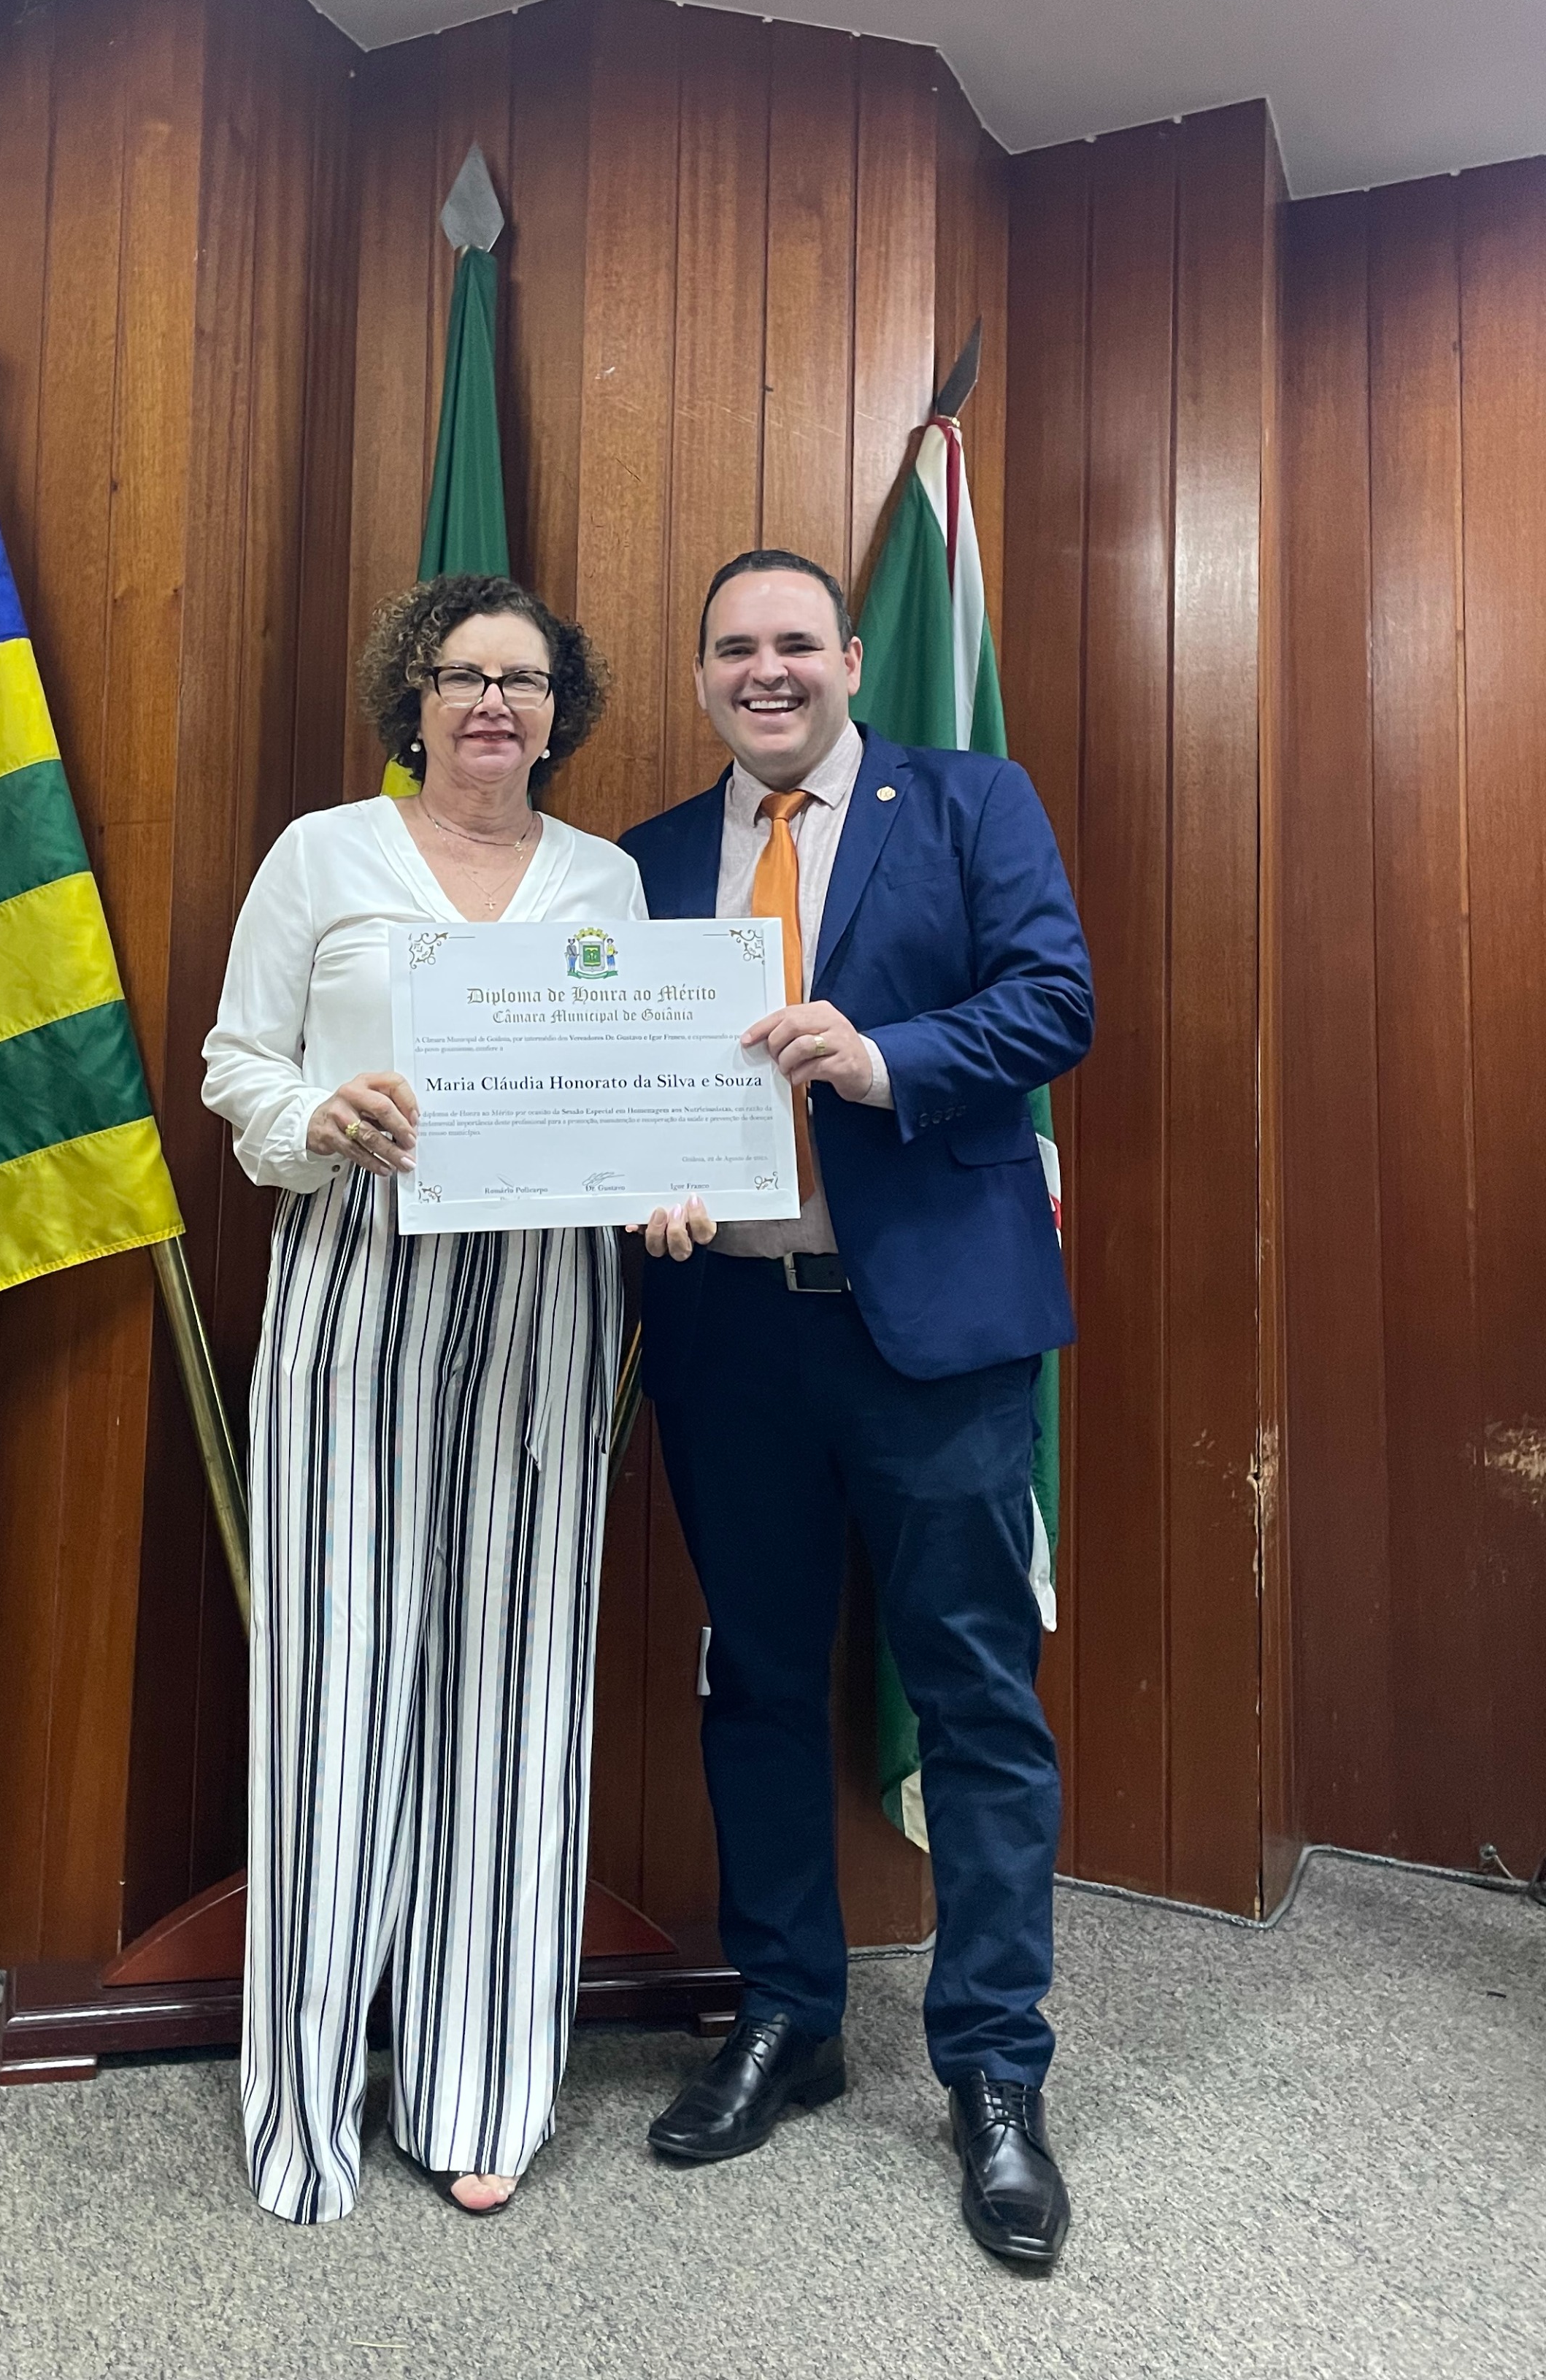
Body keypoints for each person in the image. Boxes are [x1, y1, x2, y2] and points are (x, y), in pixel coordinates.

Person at [621, 545, 1093, 2269]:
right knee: (755, 1679)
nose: (768, 670)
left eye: (796, 643)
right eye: (735, 646)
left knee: (974, 1693)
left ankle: (994, 2068)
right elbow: (618, 1079)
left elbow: (1056, 1000)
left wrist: (886, 1059)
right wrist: (636, 1180)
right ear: (702, 675)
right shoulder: (647, 860)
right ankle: (788, 2017)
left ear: (850, 658)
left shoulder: (969, 803)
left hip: (935, 1337)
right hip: (730, 1332)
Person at [202, 572, 642, 2226]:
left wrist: (678, 1175)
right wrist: (315, 1120)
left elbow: (647, 1084)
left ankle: (481, 2086)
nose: (492, 704)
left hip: (545, 1297)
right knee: (335, 1686)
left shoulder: (604, 880)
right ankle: (307, 2100)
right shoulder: (323, 855)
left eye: (524, 681)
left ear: (557, 711)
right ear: (416, 696)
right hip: (355, 1280)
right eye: (464, 675)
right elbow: (237, 1058)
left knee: (519, 1681)